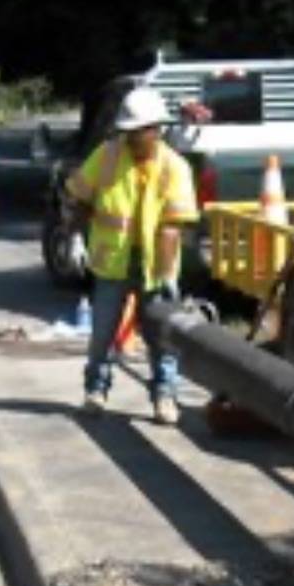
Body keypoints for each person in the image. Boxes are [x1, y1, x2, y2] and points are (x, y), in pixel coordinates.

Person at [64, 86, 199, 424]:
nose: (134, 139)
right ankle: (96, 390)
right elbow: (79, 199)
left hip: (155, 265)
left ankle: (164, 396)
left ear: (157, 129)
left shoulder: (175, 168)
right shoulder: (107, 156)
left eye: (140, 132)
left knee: (161, 336)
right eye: (129, 132)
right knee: (102, 333)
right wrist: (74, 238)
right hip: (112, 263)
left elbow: (172, 227)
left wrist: (167, 275)